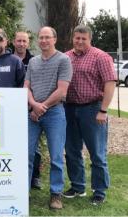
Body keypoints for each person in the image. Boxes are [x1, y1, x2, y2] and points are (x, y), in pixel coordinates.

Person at [63, 25, 116, 205]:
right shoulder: (66, 57)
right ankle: (78, 186)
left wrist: (103, 110)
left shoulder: (100, 57)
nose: (79, 41)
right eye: (77, 38)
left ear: (90, 39)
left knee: (97, 152)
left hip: (93, 109)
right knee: (71, 151)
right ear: (73, 38)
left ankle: (99, 191)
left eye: (83, 38)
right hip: (69, 109)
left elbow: (110, 83)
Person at [24, 26, 72, 209]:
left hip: (54, 113)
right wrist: (34, 106)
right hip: (33, 113)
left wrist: (41, 107)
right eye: (41, 37)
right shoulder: (34, 62)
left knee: (56, 156)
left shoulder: (63, 60)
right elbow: (26, 87)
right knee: (27, 154)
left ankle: (55, 194)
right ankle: (23, 191)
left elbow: (62, 90)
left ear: (54, 39)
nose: (43, 41)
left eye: (47, 37)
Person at [12, 31, 42, 189]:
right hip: (12, 108)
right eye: (19, 40)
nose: (21, 43)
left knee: (34, 146)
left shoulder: (35, 61)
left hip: (30, 107)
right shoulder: (7, 60)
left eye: (24, 41)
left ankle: (35, 177)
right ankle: (15, 174)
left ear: (28, 43)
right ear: (13, 42)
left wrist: (33, 106)